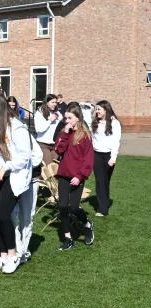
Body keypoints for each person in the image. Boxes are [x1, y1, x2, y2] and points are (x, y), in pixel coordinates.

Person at [0, 92, 32, 274]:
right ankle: (3, 255)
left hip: (14, 176)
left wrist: (6, 167)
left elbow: (24, 157)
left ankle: (13, 255)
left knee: (4, 215)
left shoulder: (18, 128)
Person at [54, 103, 94, 250]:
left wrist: (80, 176)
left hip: (77, 177)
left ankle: (87, 224)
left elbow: (88, 160)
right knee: (63, 206)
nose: (67, 121)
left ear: (77, 118)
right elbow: (58, 149)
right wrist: (64, 133)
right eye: (65, 118)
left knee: (74, 207)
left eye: (70, 118)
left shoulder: (84, 136)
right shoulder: (65, 132)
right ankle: (68, 239)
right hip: (64, 175)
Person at [11, 128, 43, 264]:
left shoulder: (24, 133)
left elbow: (38, 156)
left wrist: (24, 170)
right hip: (11, 181)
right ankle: (18, 246)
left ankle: (24, 250)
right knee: (10, 214)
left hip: (30, 181)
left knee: (27, 216)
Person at [91, 100, 121, 217]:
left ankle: (104, 204)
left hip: (108, 155)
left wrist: (113, 157)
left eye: (99, 109)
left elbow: (116, 141)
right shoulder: (95, 122)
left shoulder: (115, 123)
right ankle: (102, 209)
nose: (97, 111)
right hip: (96, 155)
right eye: (96, 109)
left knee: (105, 181)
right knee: (100, 181)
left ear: (106, 110)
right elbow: (93, 139)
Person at [35, 94, 63, 165]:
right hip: (43, 144)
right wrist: (50, 121)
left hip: (55, 145)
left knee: (56, 167)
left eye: (55, 102)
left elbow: (61, 126)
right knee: (48, 167)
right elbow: (39, 129)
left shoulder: (57, 113)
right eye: (52, 102)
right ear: (47, 102)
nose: (54, 104)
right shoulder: (40, 113)